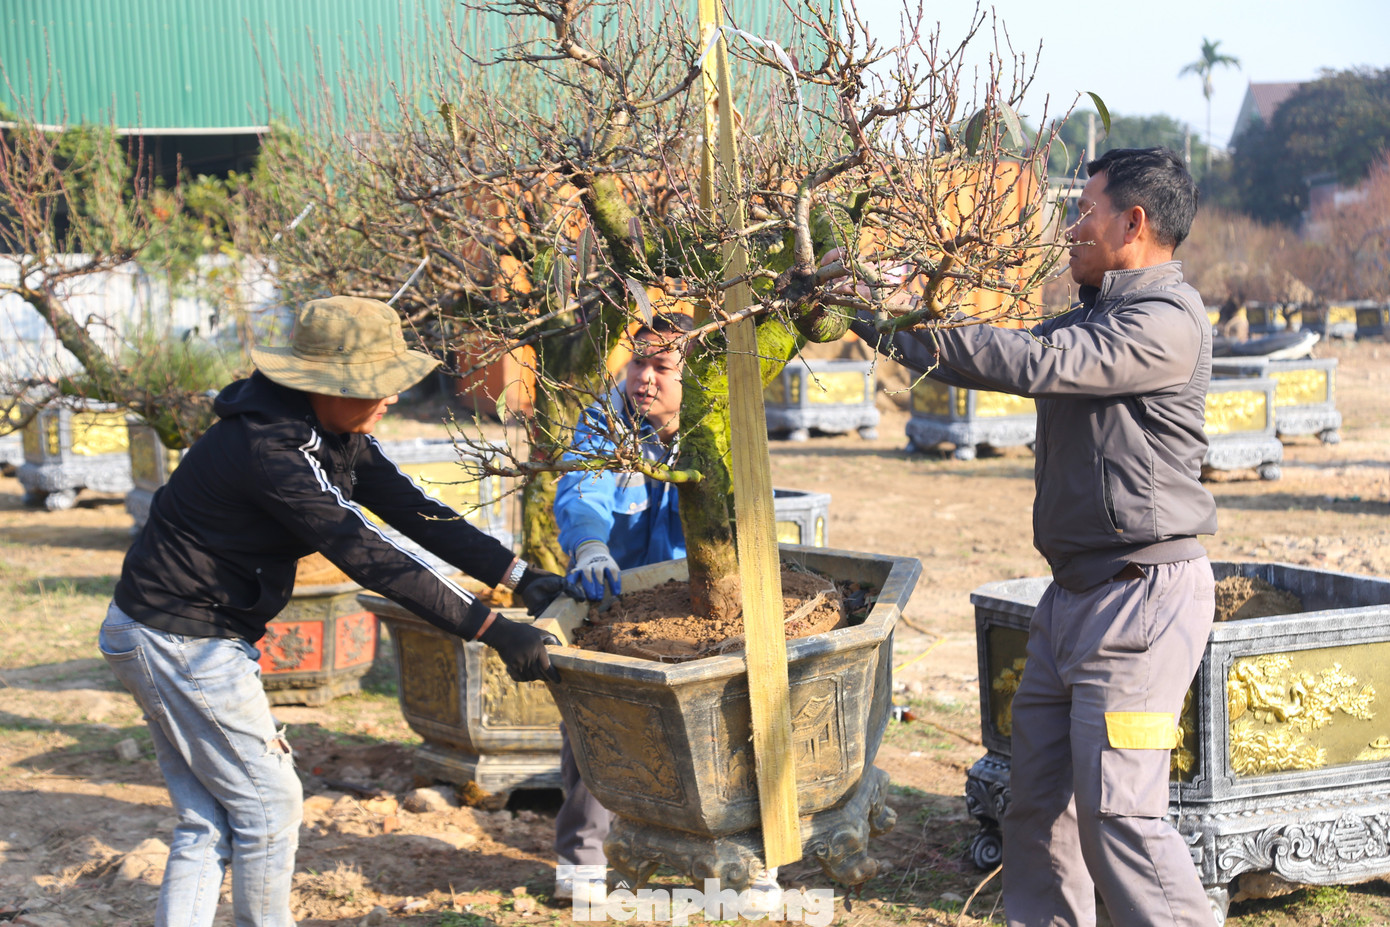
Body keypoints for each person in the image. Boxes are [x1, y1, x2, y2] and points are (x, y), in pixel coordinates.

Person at [99, 296, 578, 927]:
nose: (391, 401)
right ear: (320, 385)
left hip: (162, 632)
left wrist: (518, 577)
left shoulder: (327, 431)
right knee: (269, 808)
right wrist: (490, 628)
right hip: (184, 641)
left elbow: (409, 507)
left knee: (210, 817)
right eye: (374, 388)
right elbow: (367, 553)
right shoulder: (273, 448)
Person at [851, 148, 1218, 926]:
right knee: (1037, 809)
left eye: (1083, 210)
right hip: (1071, 598)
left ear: (1134, 221)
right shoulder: (1095, 313)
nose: (1070, 226)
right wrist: (881, 315)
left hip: (1141, 604)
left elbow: (1036, 361)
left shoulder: (1165, 323)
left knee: (1119, 817)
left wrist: (888, 312)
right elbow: (992, 347)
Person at [549, 313, 690, 903]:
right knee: (596, 727)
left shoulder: (718, 429)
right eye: (639, 362)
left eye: (662, 367)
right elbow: (582, 485)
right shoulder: (606, 422)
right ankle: (581, 864)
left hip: (692, 607)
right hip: (611, 598)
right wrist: (590, 544)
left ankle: (697, 856)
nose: (645, 378)